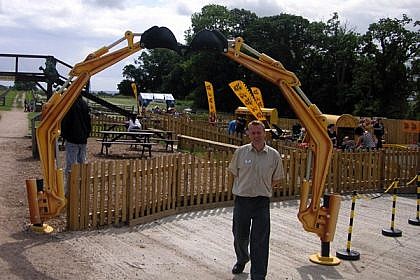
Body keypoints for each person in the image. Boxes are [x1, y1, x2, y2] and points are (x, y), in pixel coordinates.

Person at [228, 120, 284, 280]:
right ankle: (242, 258)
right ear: (248, 134)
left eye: (259, 132)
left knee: (260, 239)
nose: (256, 136)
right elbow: (234, 173)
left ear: (264, 133)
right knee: (240, 235)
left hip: (261, 202)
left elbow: (276, 179)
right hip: (242, 200)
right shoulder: (240, 152)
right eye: (253, 133)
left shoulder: (273, 155)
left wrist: (262, 187)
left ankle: (258, 274)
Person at [61, 95, 91, 194]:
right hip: (82, 139)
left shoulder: (70, 104)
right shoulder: (84, 104)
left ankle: (69, 190)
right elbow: (88, 121)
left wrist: (64, 135)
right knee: (82, 163)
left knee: (71, 165)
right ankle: (82, 189)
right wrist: (86, 134)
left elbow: (66, 121)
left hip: (72, 138)